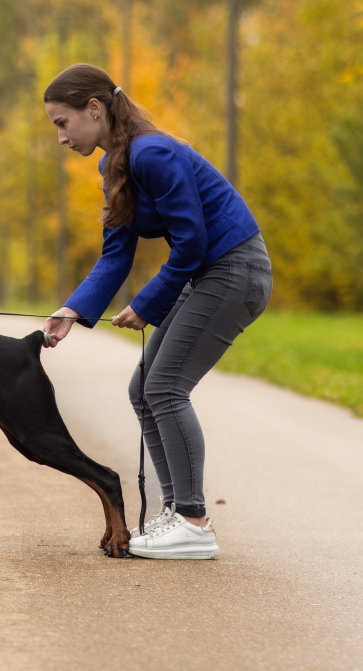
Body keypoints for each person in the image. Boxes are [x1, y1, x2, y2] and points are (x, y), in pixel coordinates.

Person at [41, 63, 272, 559]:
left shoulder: (155, 153)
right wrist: (72, 309)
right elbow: (115, 254)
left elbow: (193, 243)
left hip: (235, 270)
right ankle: (176, 514)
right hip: (210, 273)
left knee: (165, 387)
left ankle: (193, 521)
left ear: (95, 108)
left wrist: (146, 305)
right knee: (143, 389)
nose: (60, 137)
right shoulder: (115, 165)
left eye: (62, 122)